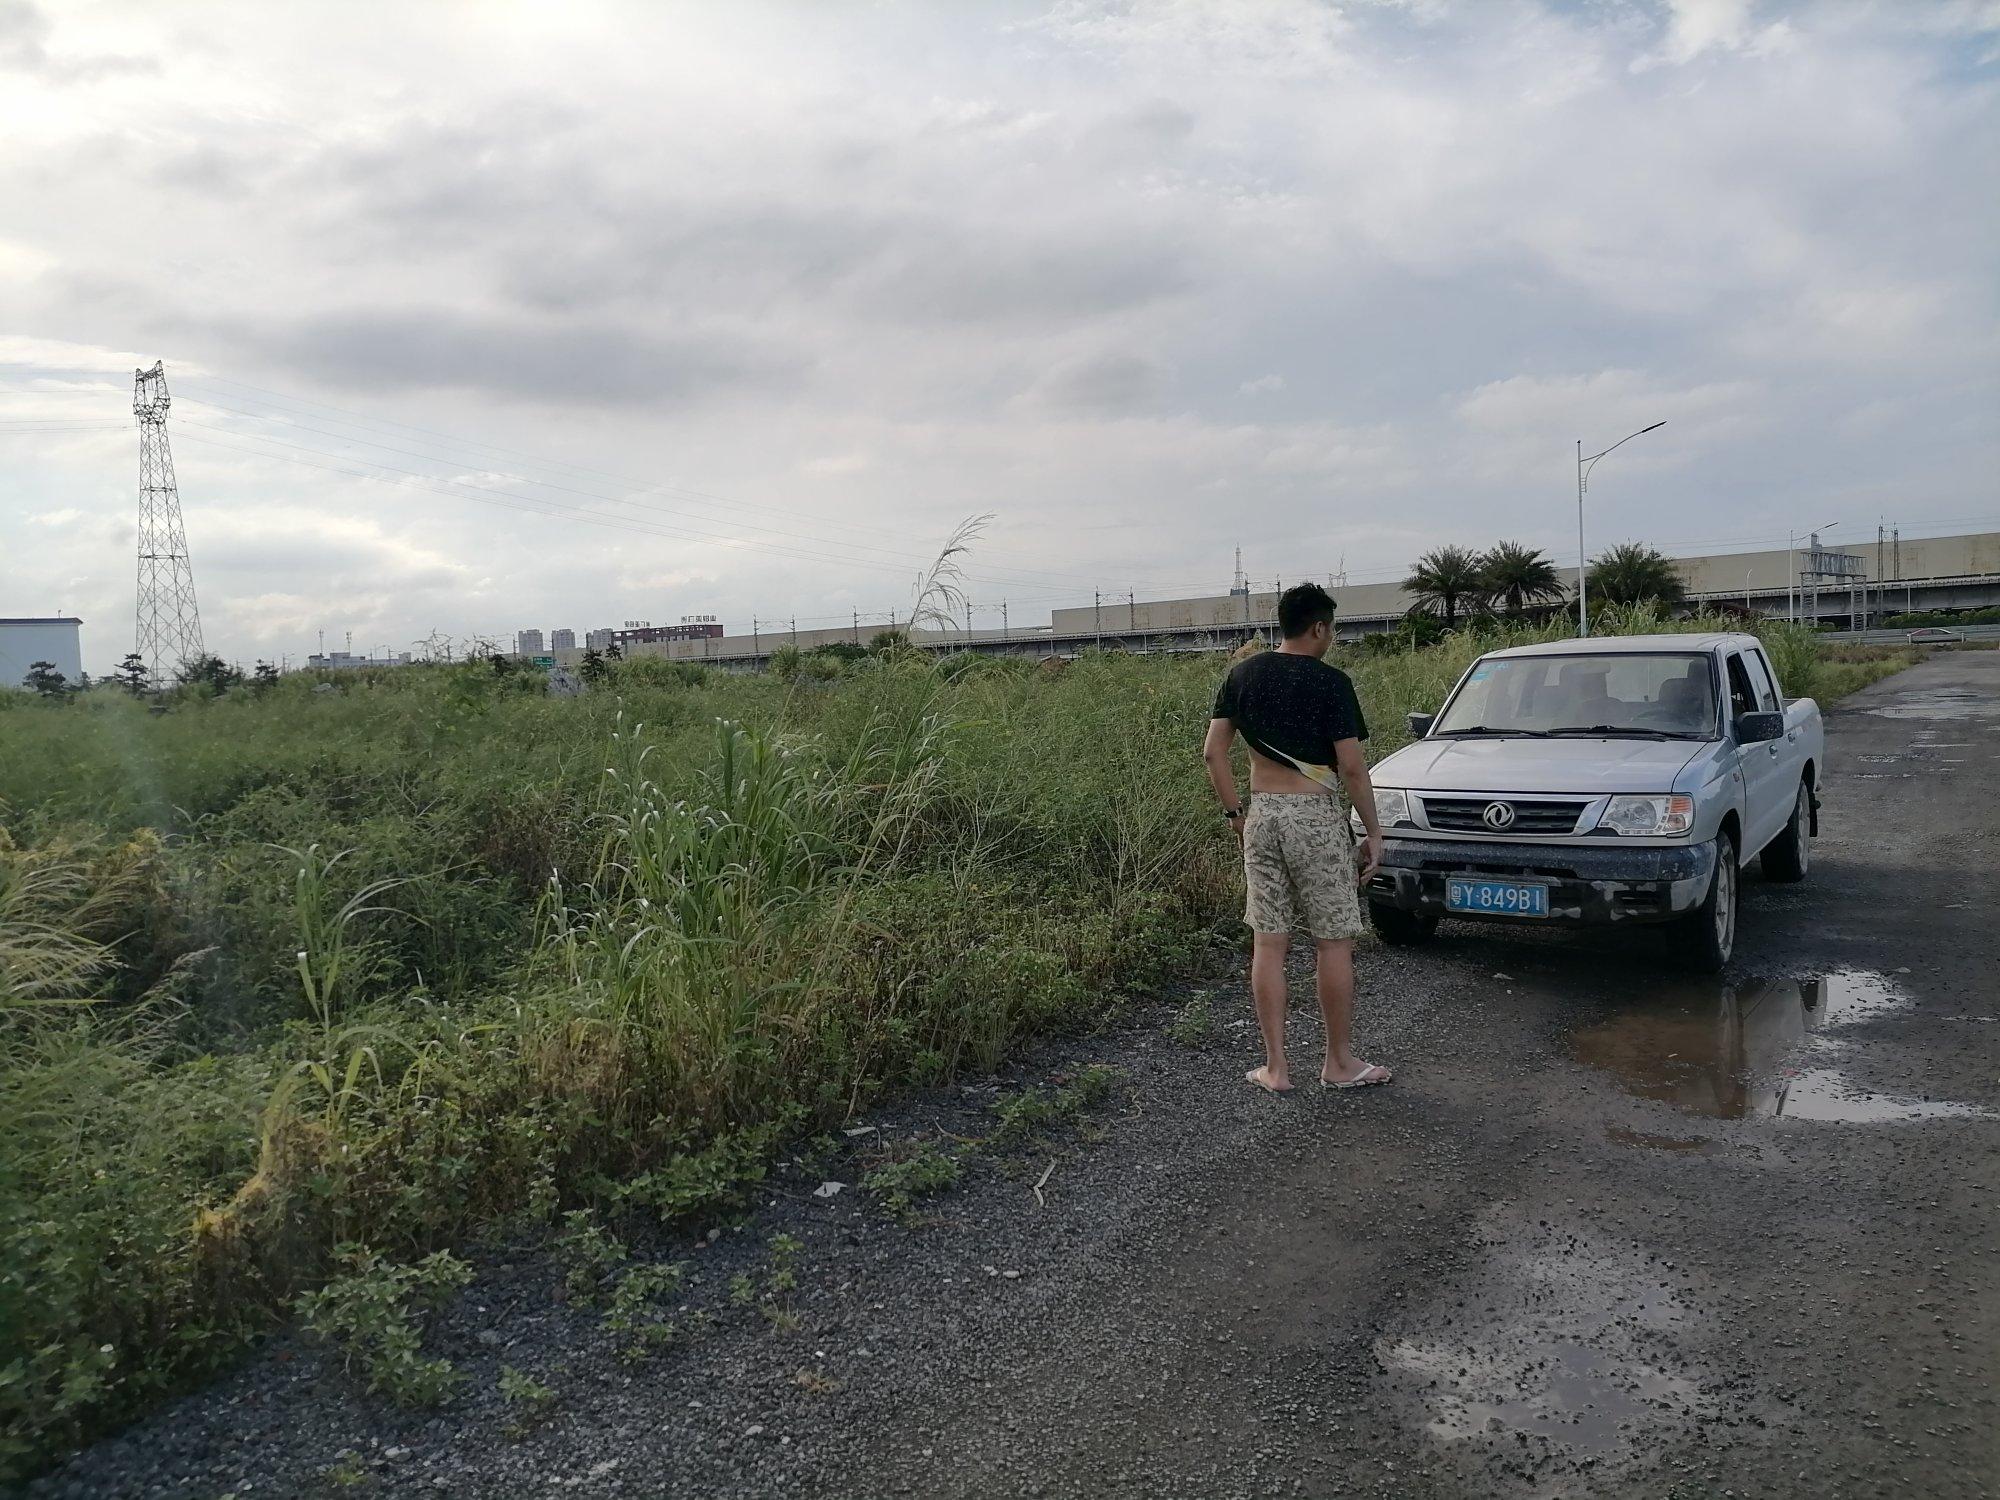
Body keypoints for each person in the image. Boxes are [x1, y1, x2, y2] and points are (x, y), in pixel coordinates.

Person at [1201, 583, 1390, 1093]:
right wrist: (1372, 831)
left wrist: (1235, 814)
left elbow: (1213, 753)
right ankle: (1339, 1063)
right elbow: (1351, 768)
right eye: (1332, 628)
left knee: (1269, 942)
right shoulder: (1331, 682)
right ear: (1319, 627)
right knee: (1332, 943)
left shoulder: (1241, 675)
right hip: (1314, 816)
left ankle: (1276, 1069)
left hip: (1262, 814)